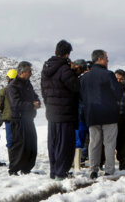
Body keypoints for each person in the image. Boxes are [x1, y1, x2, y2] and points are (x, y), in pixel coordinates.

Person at [41, 40, 81, 181]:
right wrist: (75, 73)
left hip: (52, 113)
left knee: (53, 143)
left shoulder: (46, 68)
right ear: (67, 54)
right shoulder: (64, 69)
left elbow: (43, 91)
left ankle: (54, 171)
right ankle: (61, 173)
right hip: (65, 113)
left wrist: (49, 105)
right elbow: (75, 87)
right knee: (65, 145)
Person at [79, 49, 122, 178]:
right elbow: (118, 94)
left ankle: (93, 169)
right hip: (109, 114)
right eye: (106, 58)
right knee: (109, 144)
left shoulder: (84, 78)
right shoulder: (108, 75)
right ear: (100, 59)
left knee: (94, 143)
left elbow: (82, 97)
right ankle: (109, 170)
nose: (107, 61)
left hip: (92, 114)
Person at [6, 61, 41, 176]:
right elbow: (15, 104)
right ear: (22, 72)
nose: (31, 73)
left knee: (31, 144)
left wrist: (37, 101)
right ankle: (14, 169)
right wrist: (32, 105)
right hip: (19, 120)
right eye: (29, 71)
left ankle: (26, 168)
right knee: (19, 145)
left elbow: (34, 95)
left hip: (29, 119)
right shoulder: (13, 86)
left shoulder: (27, 84)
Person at [73, 59, 90, 166]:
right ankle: (78, 161)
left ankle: (80, 160)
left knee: (83, 136)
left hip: (84, 113)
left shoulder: (78, 80)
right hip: (81, 114)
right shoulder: (79, 80)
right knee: (80, 136)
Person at [0, 69, 18, 153]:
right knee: (19, 140)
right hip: (20, 119)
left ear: (8, 79)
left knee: (10, 140)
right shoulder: (22, 90)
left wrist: (3, 111)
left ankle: (12, 160)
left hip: (9, 119)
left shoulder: (4, 91)